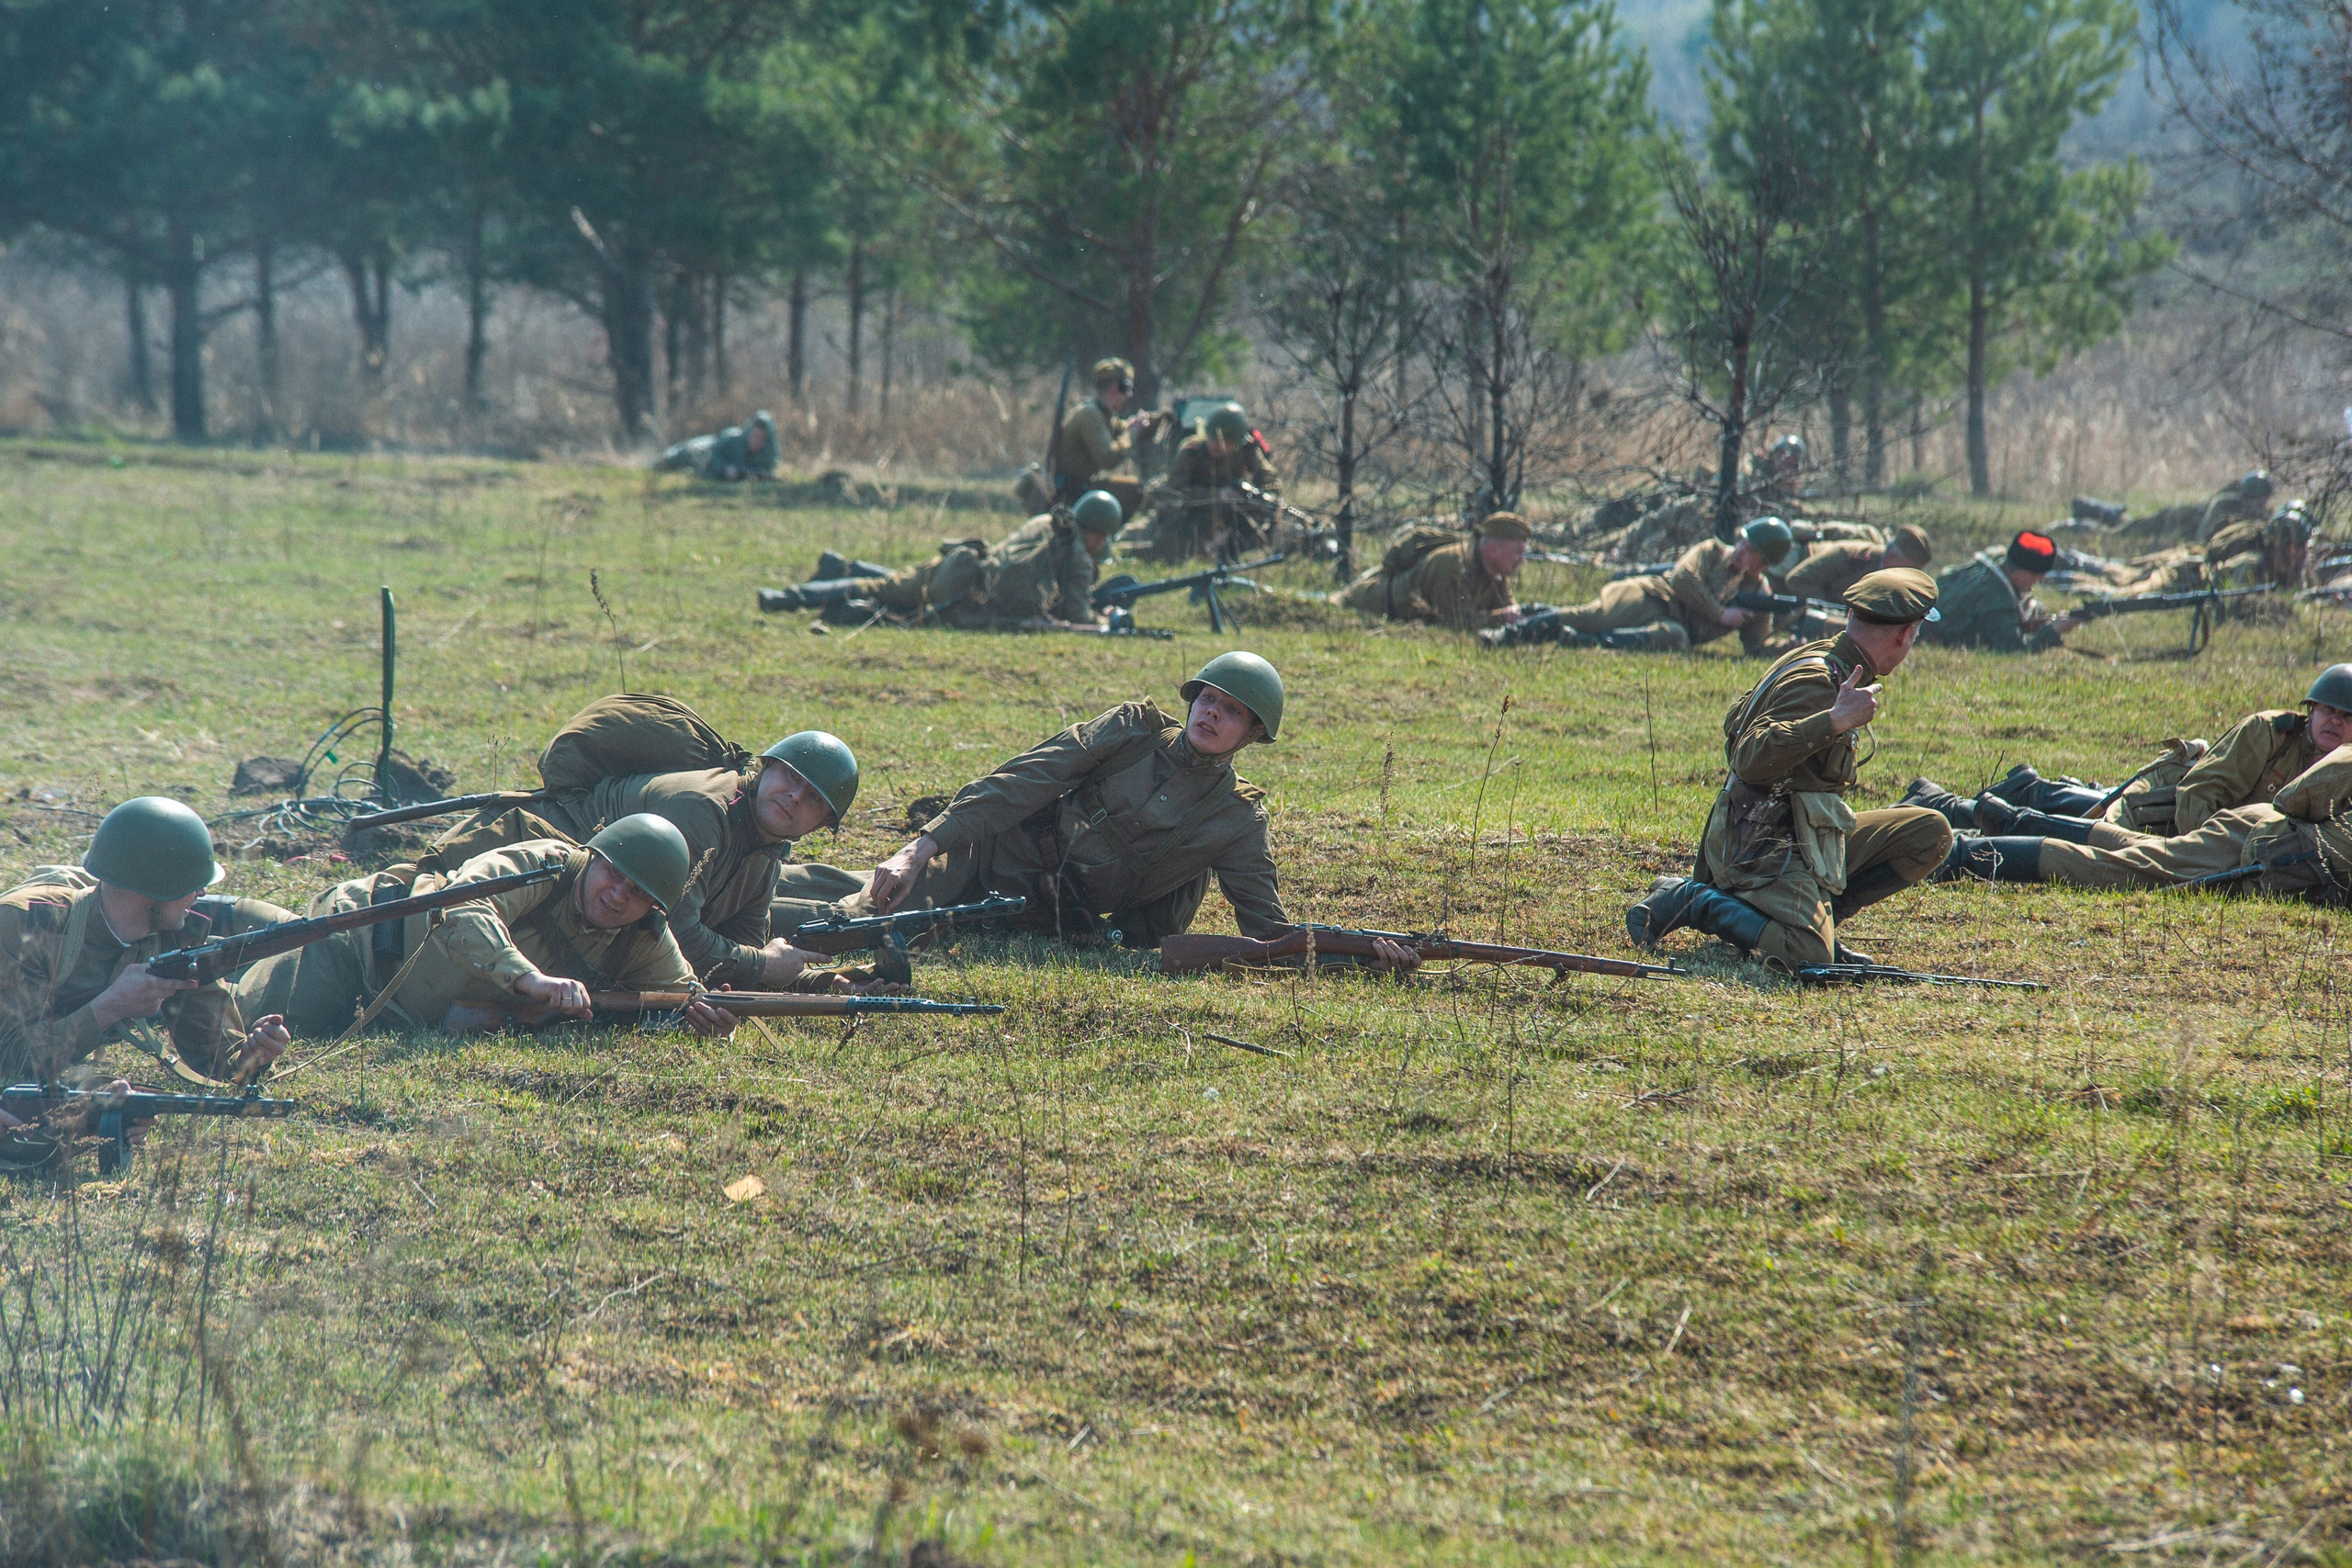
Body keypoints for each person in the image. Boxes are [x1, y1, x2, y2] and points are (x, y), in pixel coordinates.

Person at [773, 655, 1417, 969]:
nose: (1212, 713)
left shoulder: (1236, 820)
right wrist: (925, 843)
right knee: (856, 921)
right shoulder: (1133, 729)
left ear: (1252, 735)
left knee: (867, 906)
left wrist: (1364, 956)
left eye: (1232, 710)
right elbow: (1026, 778)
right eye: (1208, 698)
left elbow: (1268, 935)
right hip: (989, 857)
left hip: (1045, 921)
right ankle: (724, 911)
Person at [1625, 570, 1953, 970]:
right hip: (1760, 847)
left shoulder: (1829, 659)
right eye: (1915, 635)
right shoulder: (1820, 679)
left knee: (1930, 833)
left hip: (1803, 835)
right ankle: (1692, 900)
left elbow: (1735, 718)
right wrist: (1831, 722)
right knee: (1807, 957)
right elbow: (1747, 755)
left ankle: (1820, 924)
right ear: (1904, 635)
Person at [232, 817, 737, 1040]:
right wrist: (532, 980)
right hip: (356, 946)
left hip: (394, 1016)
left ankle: (238, 919)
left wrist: (711, 1019)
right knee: (236, 1030)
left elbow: (686, 994)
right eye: (612, 875)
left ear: (654, 906)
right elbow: (462, 910)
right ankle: (208, 914)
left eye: (636, 894)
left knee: (270, 951)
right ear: (594, 856)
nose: (617, 896)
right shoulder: (546, 866)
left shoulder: (642, 934)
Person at [0, 798, 293, 1141]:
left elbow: (220, 1059)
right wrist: (112, 1005)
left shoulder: (171, 939)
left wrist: (254, 1054)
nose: (201, 892)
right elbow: (12, 1063)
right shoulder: (25, 926)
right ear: (153, 889)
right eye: (191, 883)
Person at [522, 731, 860, 991]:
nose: (796, 797)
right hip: (543, 879)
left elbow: (742, 952)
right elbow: (669, 933)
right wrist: (761, 964)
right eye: (792, 777)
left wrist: (817, 981)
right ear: (767, 767)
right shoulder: (702, 810)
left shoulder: (767, 851)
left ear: (821, 824)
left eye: (814, 798)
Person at [1906, 664, 2352, 844]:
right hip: (2172, 806)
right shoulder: (2269, 733)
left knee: (2087, 812)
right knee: (2093, 830)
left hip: (2199, 826)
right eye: (2327, 711)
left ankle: (2031, 789)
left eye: (2347, 717)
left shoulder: (2342, 769)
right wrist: (2197, 850)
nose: (2335, 722)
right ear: (2310, 711)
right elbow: (2199, 790)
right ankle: (1942, 807)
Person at [1942, 739, 2352, 900]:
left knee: (2137, 850)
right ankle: (1959, 855)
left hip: (2280, 863)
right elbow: (2295, 798)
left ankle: (2015, 819)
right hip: (2262, 841)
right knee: (2121, 871)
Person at [756, 491, 1120, 629]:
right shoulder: (1080, 559)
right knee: (891, 598)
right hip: (972, 599)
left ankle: (801, 588)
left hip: (963, 565)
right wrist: (1102, 617)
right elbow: (1076, 617)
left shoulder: (1046, 522)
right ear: (1101, 534)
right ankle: (786, 599)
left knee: (890, 588)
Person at [1536, 517, 1799, 653]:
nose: (1740, 551)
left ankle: (1585, 642)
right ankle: (1517, 626)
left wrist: (1786, 648)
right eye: (1742, 542)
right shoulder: (1712, 551)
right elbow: (1682, 578)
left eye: (1751, 551)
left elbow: (1754, 646)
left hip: (1672, 623)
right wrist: (1720, 614)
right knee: (1589, 617)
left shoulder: (1758, 595)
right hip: (1650, 597)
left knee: (1675, 638)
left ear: (1763, 565)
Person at [1121, 405, 1283, 563]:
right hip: (1191, 513)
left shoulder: (1246, 449)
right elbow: (1172, 494)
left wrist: (1267, 498)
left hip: (1228, 514)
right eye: (1212, 437)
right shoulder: (1191, 450)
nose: (1216, 444)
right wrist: (1217, 496)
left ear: (1235, 443)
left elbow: (1270, 477)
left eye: (1225, 442)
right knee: (1161, 546)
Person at [1338, 513, 1532, 632]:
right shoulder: (1453, 564)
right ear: (1493, 551)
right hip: (1366, 604)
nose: (1522, 560)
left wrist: (1518, 616)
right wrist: (1502, 618)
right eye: (1518, 552)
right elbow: (1453, 622)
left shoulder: (1496, 570)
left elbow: (1507, 608)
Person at [1920, 529, 2078, 652]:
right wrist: (2053, 631)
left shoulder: (1993, 563)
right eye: (2037, 576)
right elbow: (2013, 648)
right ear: (2022, 573)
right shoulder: (1997, 599)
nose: (2040, 581)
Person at [1052, 358, 1165, 518]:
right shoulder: (1091, 415)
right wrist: (1132, 433)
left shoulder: (1101, 414)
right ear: (1114, 388)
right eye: (1127, 388)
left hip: (1079, 490)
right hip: (1071, 496)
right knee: (1136, 490)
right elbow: (1108, 458)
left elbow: (1125, 429)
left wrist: (1163, 417)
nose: (1130, 395)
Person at [2099, 469, 2276, 546]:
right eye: (2256, 499)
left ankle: (2106, 514)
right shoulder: (2224, 504)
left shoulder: (2264, 518)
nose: (2260, 504)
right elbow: (2202, 535)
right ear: (2246, 497)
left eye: (2263, 499)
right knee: (2125, 531)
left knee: (2126, 524)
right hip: (2176, 522)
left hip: (2181, 527)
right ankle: (2083, 526)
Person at [1778, 524, 1933, 609]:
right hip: (1789, 568)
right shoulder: (1852, 557)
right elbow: (1797, 580)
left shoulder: (1889, 578)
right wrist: (1829, 611)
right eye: (1910, 570)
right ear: (1892, 557)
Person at [654, 412, 779, 482]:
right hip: (700, 449)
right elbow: (711, 454)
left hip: (705, 469)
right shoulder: (732, 438)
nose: (756, 442)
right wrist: (724, 468)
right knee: (667, 460)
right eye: (754, 436)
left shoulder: (769, 453)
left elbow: (765, 472)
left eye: (761, 439)